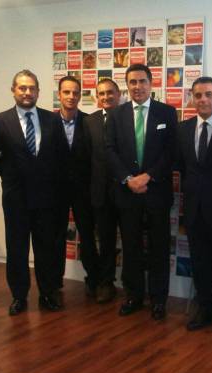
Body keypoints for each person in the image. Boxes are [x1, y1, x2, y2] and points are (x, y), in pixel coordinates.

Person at [0, 70, 68, 315]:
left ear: (38, 91)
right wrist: (12, 175)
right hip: (16, 197)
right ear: (13, 90)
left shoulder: (52, 119)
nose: (27, 92)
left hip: (47, 198)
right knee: (17, 249)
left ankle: (48, 293)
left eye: (32, 88)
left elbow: (61, 156)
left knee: (46, 249)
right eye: (22, 88)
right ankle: (19, 296)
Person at [105, 64, 178, 321]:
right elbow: (109, 150)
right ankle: (133, 296)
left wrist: (148, 176)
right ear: (127, 86)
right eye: (132, 82)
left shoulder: (167, 112)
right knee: (131, 246)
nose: (138, 86)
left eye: (142, 81)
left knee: (159, 247)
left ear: (151, 82)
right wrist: (128, 179)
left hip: (156, 191)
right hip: (128, 193)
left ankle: (158, 299)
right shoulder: (116, 114)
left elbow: (171, 151)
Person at [175, 76, 212, 335]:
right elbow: (182, 166)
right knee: (200, 264)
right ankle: (205, 309)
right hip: (194, 209)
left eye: (209, 94)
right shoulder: (183, 129)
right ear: (192, 98)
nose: (203, 99)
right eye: (198, 95)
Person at [52, 76, 98, 305]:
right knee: (55, 237)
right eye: (66, 92)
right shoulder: (47, 122)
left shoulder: (90, 122)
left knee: (88, 236)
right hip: (56, 190)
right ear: (59, 94)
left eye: (75, 93)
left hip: (84, 190)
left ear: (80, 95)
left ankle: (94, 281)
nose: (71, 96)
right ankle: (54, 282)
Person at [83, 79, 122, 303]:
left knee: (132, 241)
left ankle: (133, 287)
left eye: (110, 92)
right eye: (101, 94)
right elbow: (86, 159)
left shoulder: (129, 116)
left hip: (127, 192)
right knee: (105, 242)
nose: (106, 97)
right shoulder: (90, 121)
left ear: (119, 94)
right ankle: (106, 283)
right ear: (97, 97)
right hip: (100, 193)